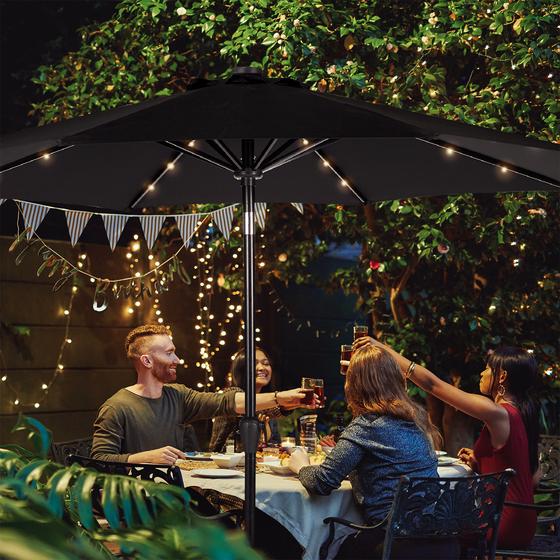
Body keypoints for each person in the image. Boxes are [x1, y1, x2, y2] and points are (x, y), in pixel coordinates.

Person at [354, 337, 540, 550]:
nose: (482, 373)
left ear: (502, 377)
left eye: (488, 369)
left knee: (427, 531)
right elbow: (533, 477)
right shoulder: (525, 413)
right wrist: (483, 462)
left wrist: (384, 349)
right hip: (523, 520)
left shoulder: (497, 412)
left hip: (499, 522)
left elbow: (433, 385)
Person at [289, 344, 438, 558]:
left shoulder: (366, 426)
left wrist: (301, 465)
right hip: (439, 538)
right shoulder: (416, 420)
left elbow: (322, 482)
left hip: (392, 543)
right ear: (397, 380)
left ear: (355, 385)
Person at [92, 324, 315, 464]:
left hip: (176, 494)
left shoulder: (177, 395)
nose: (177, 360)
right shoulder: (117, 407)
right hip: (136, 505)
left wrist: (282, 398)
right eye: (170, 353)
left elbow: (225, 402)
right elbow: (99, 460)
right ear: (147, 361)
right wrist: (143, 458)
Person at [209, 347, 284, 452]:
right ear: (241, 369)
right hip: (227, 465)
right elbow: (243, 448)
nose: (262, 368)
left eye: (266, 363)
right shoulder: (232, 395)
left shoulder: (269, 404)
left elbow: (275, 446)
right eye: (254, 363)